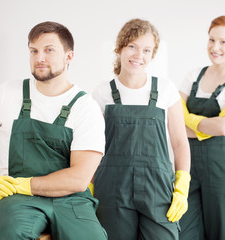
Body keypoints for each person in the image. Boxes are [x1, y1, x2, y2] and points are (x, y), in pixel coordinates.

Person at [0, 21, 108, 240]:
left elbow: (78, 178)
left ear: (69, 57)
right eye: (33, 51)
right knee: (11, 234)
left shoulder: (85, 107)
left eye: (49, 50)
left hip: (71, 199)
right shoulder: (7, 93)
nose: (39, 58)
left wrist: (25, 183)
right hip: (16, 199)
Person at [91, 18, 191, 240]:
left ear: (153, 54)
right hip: (113, 190)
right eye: (132, 47)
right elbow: (92, 147)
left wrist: (182, 185)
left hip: (158, 190)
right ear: (119, 48)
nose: (139, 55)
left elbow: (179, 142)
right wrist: (87, 187)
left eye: (147, 50)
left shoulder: (165, 89)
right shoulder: (102, 94)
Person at [178, 16, 225, 240]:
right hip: (189, 166)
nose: (215, 47)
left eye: (223, 42)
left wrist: (189, 119)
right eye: (211, 40)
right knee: (184, 233)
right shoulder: (193, 76)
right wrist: (206, 125)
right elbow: (173, 122)